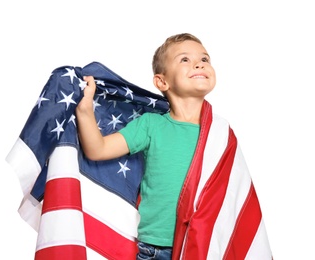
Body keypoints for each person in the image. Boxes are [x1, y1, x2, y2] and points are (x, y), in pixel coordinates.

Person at [75, 33, 216, 260]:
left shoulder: (220, 133)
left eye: (205, 59)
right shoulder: (151, 125)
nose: (199, 63)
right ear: (162, 82)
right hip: (157, 248)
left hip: (205, 246)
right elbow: (97, 149)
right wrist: (85, 109)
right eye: (184, 60)